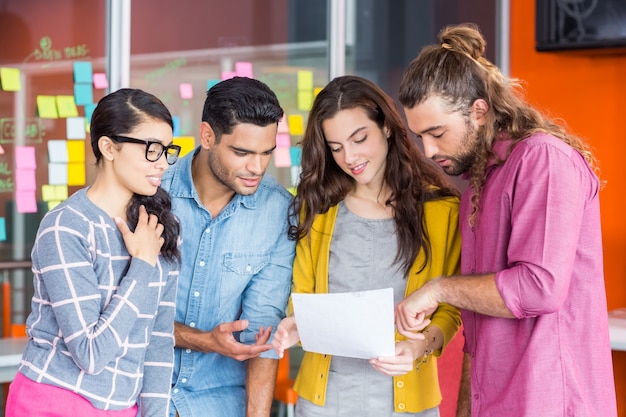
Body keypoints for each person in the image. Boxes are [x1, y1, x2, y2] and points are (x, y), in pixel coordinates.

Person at [395, 23, 618, 417]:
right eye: (419, 137)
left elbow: (538, 287)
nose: (428, 150)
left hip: (551, 401)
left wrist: (438, 289)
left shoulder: (543, 159)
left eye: (437, 133)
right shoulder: (479, 183)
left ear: (479, 111)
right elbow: (480, 330)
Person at [271, 75, 462, 417]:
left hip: (409, 406)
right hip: (323, 405)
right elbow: (301, 298)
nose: (350, 157)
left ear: (387, 127)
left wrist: (422, 344)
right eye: (336, 147)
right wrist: (297, 325)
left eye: (360, 139)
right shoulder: (317, 211)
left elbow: (449, 308)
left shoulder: (440, 211)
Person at [5, 88, 182, 417]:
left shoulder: (159, 228)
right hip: (55, 401)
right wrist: (141, 267)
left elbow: (158, 341)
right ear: (109, 147)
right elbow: (90, 355)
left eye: (167, 150)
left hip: (124, 407)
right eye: (152, 150)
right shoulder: (66, 228)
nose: (163, 164)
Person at [160, 76, 296, 417]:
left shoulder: (279, 212)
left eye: (267, 153)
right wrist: (205, 340)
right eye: (242, 152)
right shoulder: (152, 192)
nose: (257, 167)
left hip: (220, 404)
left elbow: (262, 331)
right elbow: (125, 314)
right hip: (138, 394)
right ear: (207, 136)